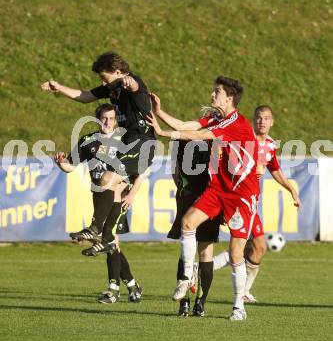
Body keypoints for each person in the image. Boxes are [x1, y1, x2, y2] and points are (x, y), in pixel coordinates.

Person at [148, 76, 259, 321]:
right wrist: (160, 112)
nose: (212, 95)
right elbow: (190, 125)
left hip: (241, 195)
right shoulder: (218, 119)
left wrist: (162, 132)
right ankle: (186, 277)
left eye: (216, 92)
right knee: (187, 223)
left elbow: (199, 136)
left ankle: (238, 307)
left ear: (229, 98)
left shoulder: (237, 123)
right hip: (218, 189)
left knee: (236, 253)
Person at [41, 52, 156, 253]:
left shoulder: (131, 82)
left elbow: (136, 86)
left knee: (106, 180)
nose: (103, 81)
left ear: (118, 72)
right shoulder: (111, 89)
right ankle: (107, 238)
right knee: (113, 187)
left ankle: (97, 229)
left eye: (105, 77)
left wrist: (129, 83)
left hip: (142, 142)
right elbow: (85, 96)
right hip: (129, 142)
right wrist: (59, 88)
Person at [54, 103, 143, 304]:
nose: (108, 122)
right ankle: (132, 285)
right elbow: (71, 166)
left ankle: (113, 290)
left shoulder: (125, 139)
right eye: (104, 118)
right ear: (97, 119)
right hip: (100, 198)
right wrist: (60, 163)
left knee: (110, 240)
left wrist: (132, 195)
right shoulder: (88, 140)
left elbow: (142, 171)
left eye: (111, 118)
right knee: (110, 242)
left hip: (119, 196)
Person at [213, 105, 301, 303]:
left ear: (272, 122)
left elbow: (275, 170)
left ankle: (207, 270)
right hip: (236, 199)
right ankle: (238, 290)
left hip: (250, 201)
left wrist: (292, 190)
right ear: (253, 120)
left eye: (266, 118)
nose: (262, 121)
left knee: (254, 248)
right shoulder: (244, 138)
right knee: (256, 246)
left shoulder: (270, 145)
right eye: (259, 118)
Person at [151, 93, 221, 317]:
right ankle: (199, 303)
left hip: (190, 195)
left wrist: (182, 191)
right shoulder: (215, 136)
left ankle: (187, 303)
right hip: (208, 196)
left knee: (188, 252)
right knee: (204, 252)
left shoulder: (184, 138)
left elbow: (175, 171)